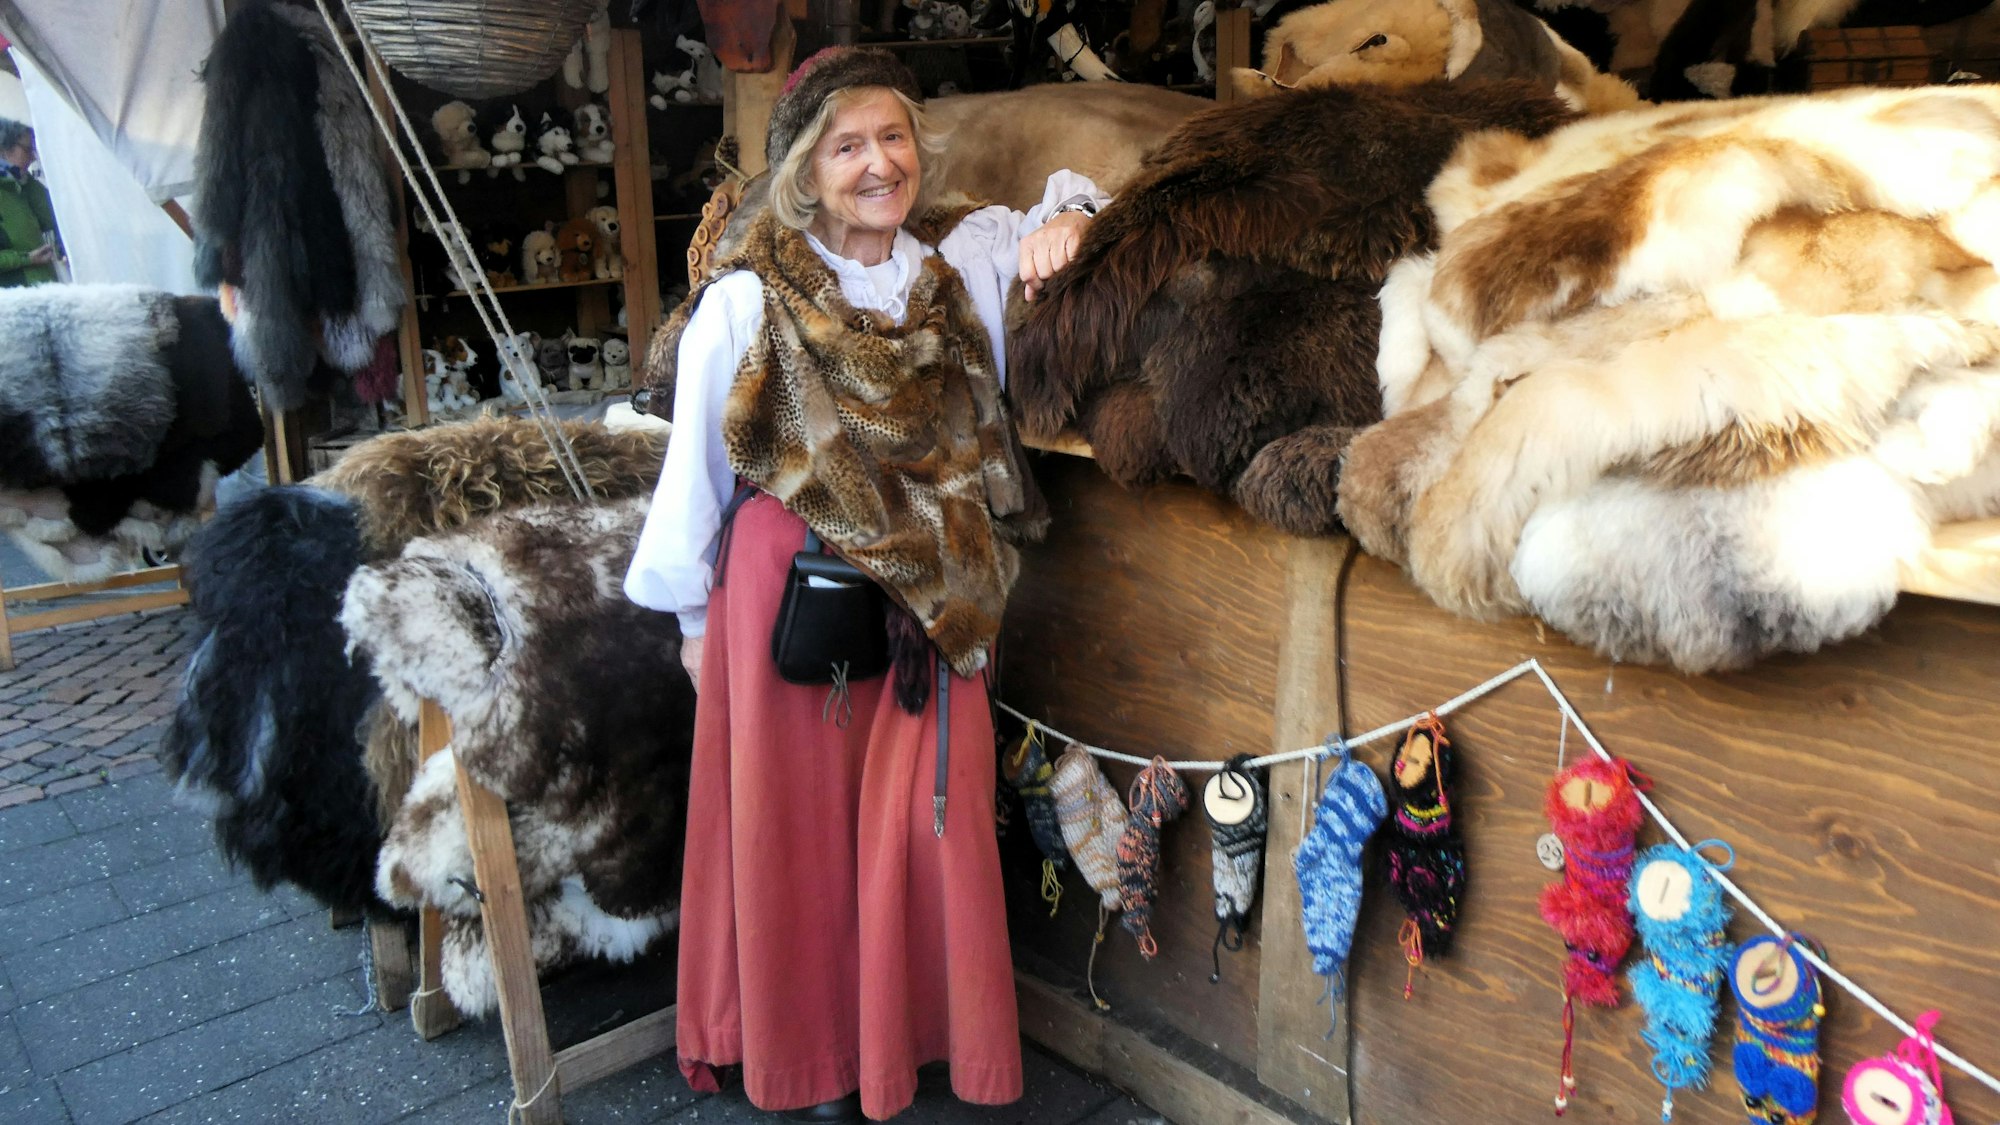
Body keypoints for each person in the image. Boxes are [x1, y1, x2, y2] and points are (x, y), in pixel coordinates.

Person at [625, 47, 1105, 1124]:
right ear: (805, 168)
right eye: (847, 146)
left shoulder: (957, 271)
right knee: (797, 836)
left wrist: (1067, 220)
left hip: (934, 605)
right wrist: (699, 626)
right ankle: (815, 1059)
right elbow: (692, 478)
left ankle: (903, 1044)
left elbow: (1089, 201)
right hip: (789, 595)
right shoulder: (747, 300)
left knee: (923, 825)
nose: (877, 165)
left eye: (892, 139)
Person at [0, 119, 61, 287]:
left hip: (44, 288)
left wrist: (27, 181)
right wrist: (27, 259)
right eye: (27, 150)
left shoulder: (18, 185)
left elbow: (53, 218)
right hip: (14, 298)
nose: (33, 156)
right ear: (4, 149)